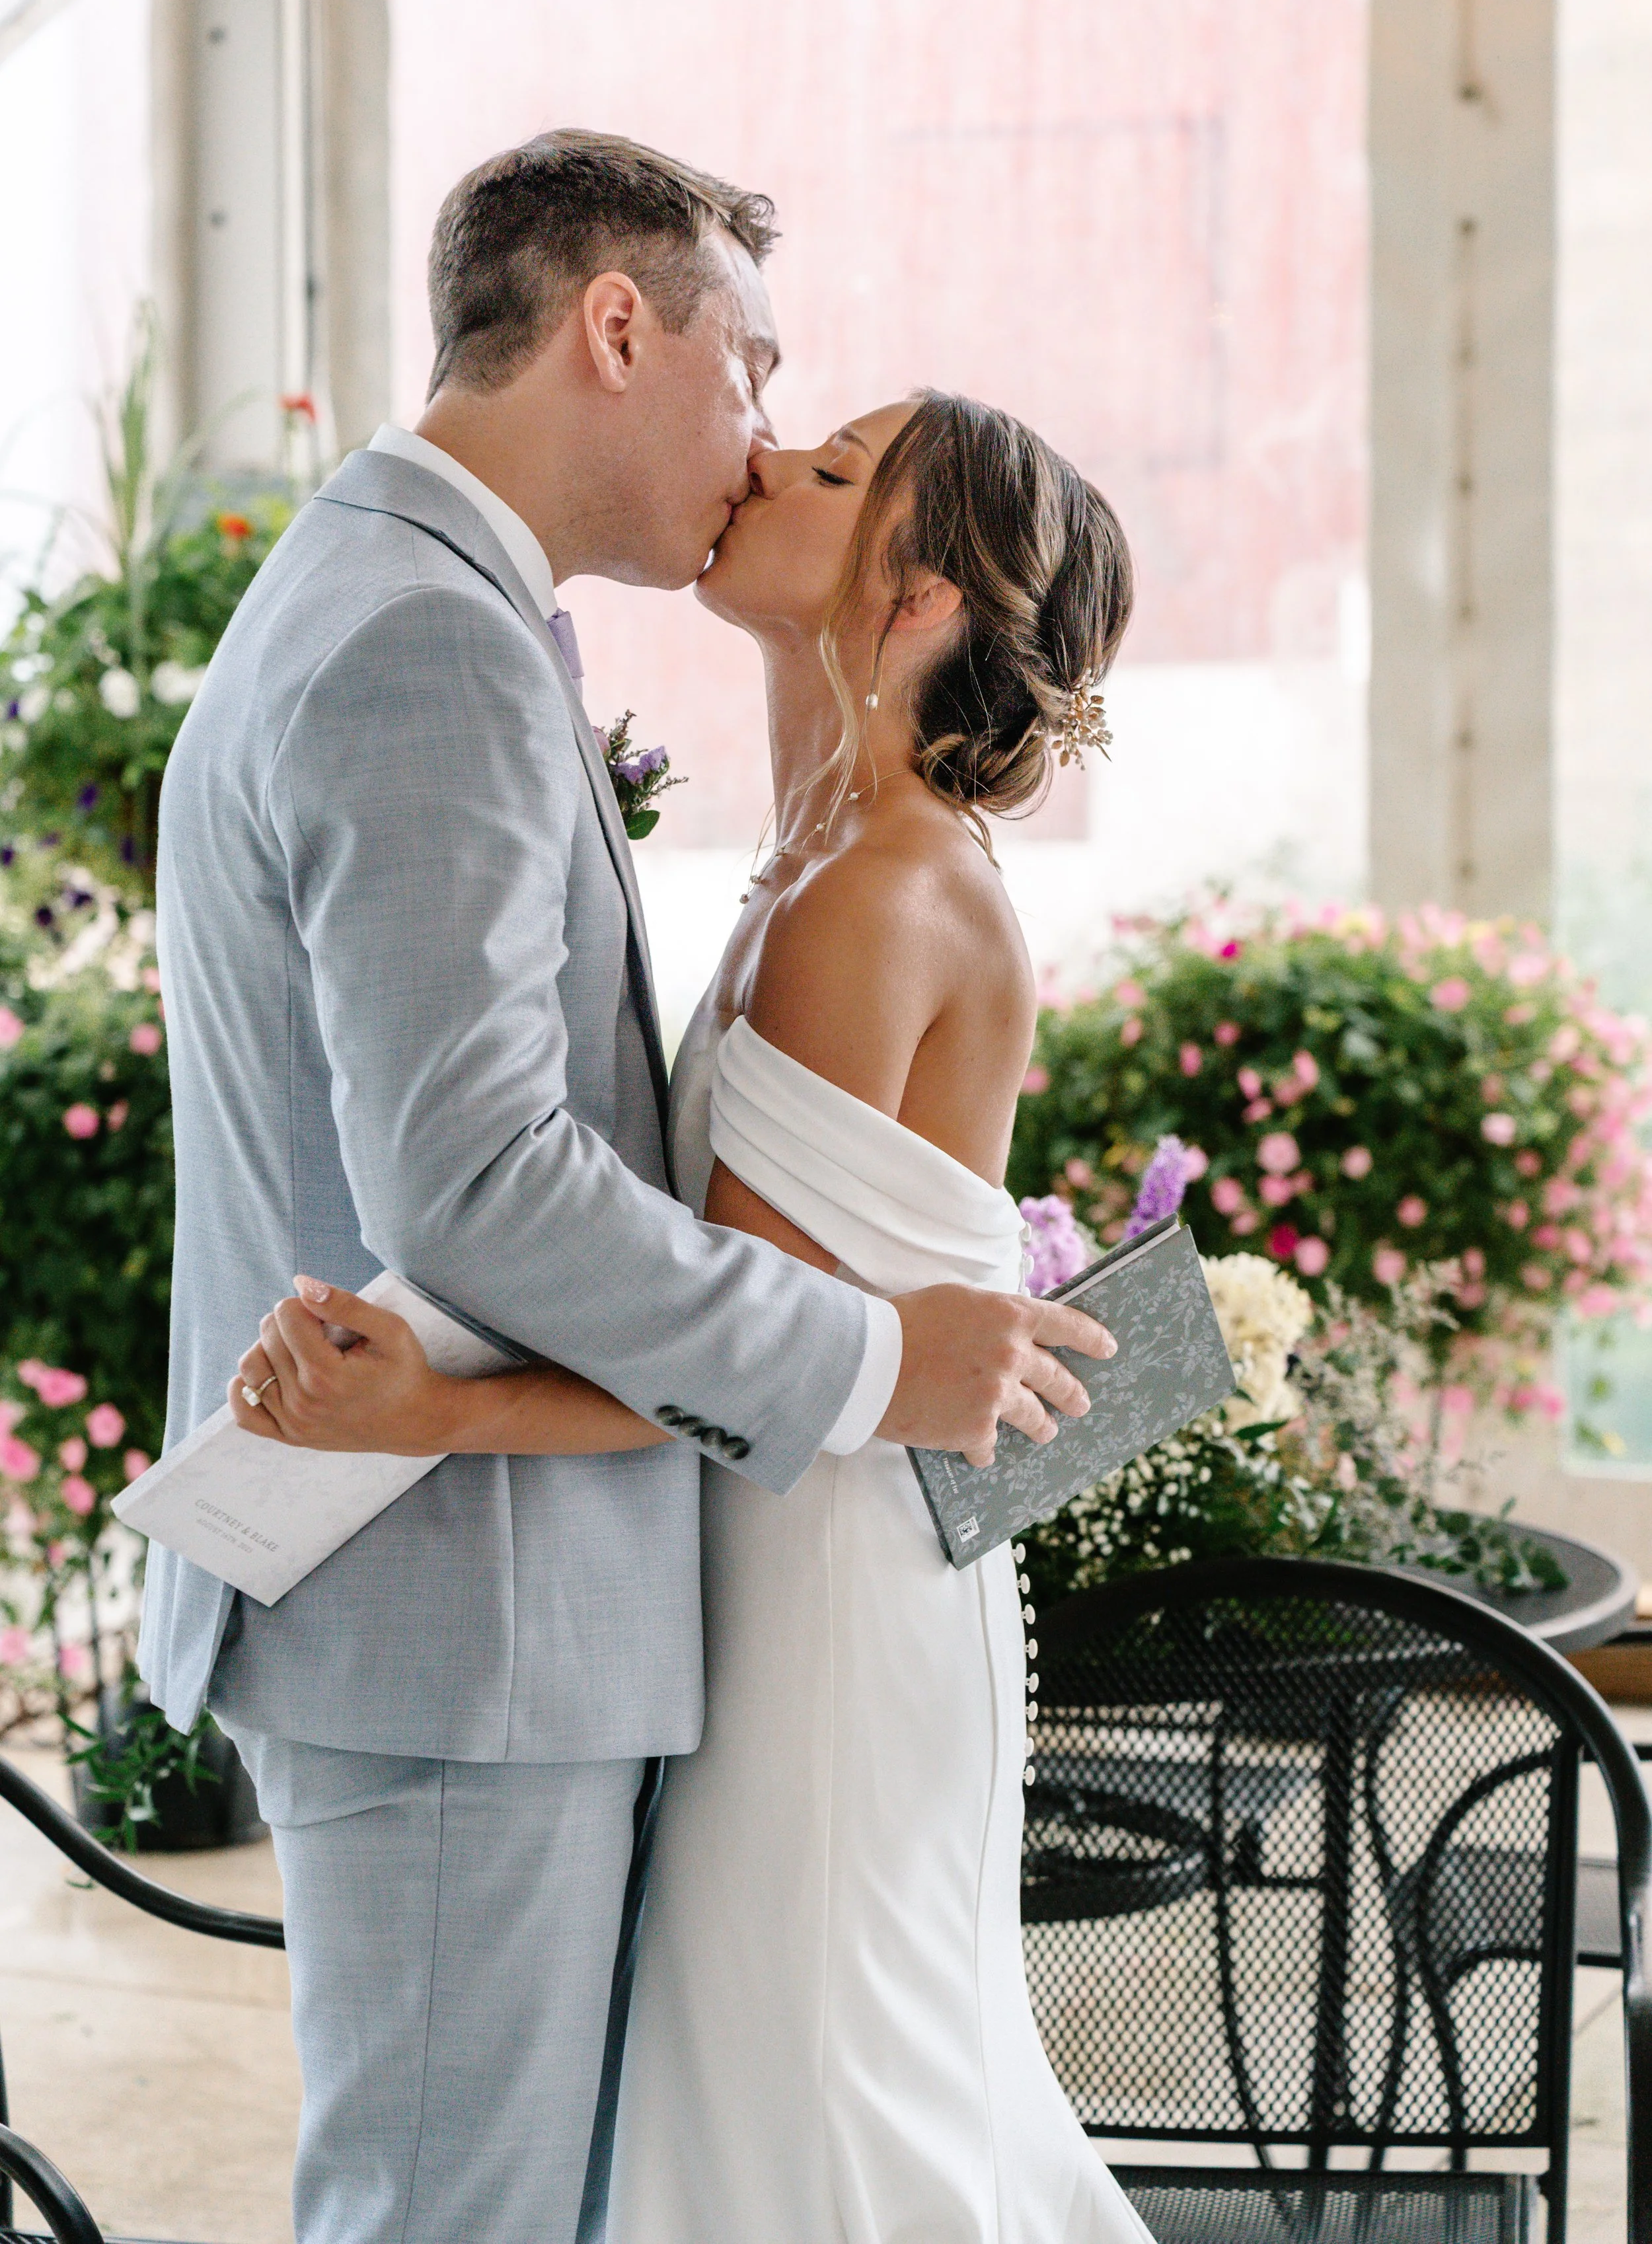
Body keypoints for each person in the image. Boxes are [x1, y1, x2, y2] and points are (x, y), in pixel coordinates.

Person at [142, 130, 1114, 2244]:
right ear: (614, 327)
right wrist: (870, 1359)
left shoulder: (399, 599)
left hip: (561, 1592)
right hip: (456, 1612)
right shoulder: (432, 644)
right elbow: (479, 1178)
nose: (761, 441)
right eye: (754, 371)